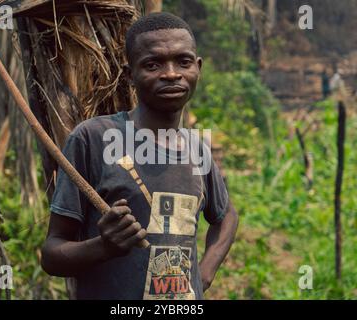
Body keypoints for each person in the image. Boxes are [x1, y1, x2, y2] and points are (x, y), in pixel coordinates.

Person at [41, 12, 239, 300]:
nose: (171, 73)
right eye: (152, 64)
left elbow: (226, 216)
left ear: (198, 68)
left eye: (183, 62)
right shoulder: (93, 139)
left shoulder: (197, 150)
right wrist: (103, 247)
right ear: (130, 74)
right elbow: (51, 254)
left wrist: (203, 274)